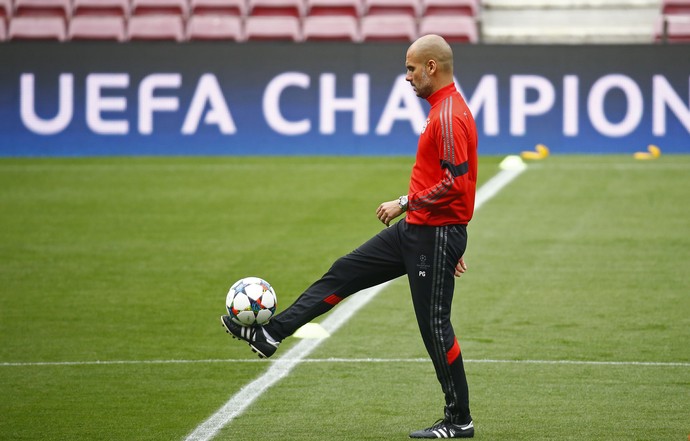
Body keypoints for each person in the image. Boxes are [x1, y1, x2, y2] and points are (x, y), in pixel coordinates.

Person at [221, 34, 478, 439]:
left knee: (435, 326)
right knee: (345, 272)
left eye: (411, 68)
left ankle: (459, 419)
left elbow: (457, 184)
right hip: (424, 232)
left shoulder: (447, 115)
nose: (406, 76)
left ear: (431, 67)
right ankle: (273, 332)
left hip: (432, 233)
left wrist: (406, 203)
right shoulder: (442, 109)